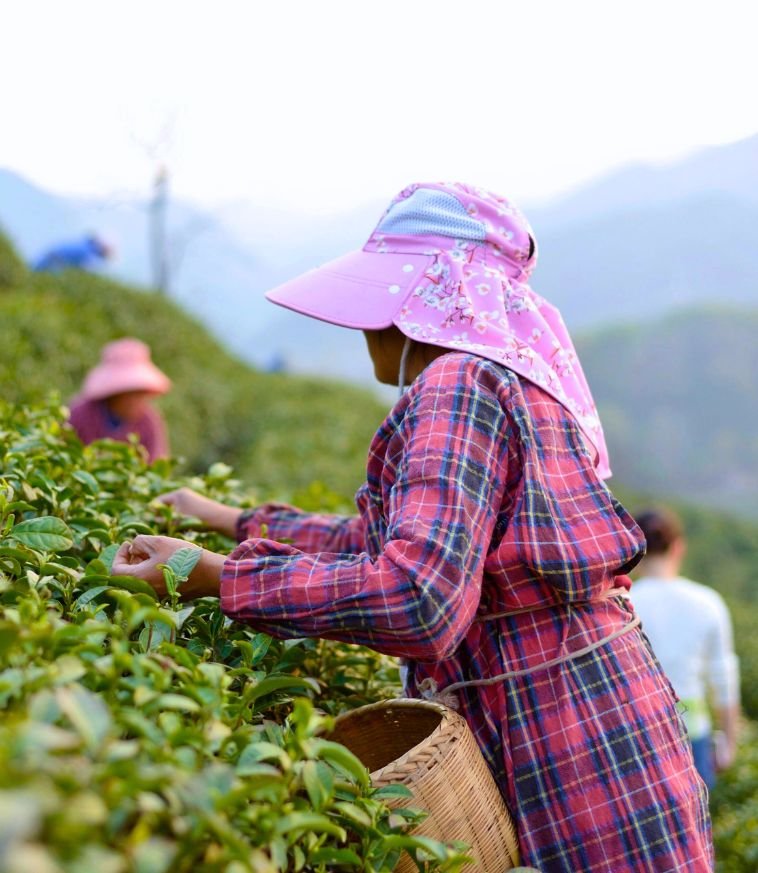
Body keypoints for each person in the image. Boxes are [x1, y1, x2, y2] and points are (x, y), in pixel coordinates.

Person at [113, 182, 712, 871]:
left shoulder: (456, 387)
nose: (368, 323)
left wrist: (214, 577)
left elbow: (418, 598)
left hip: (566, 744)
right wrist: (228, 520)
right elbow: (393, 545)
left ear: (430, 300)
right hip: (610, 722)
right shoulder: (504, 378)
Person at [631, 507, 740, 789]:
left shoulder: (623, 604)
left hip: (636, 736)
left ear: (634, 552)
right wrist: (728, 741)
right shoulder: (708, 602)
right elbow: (724, 678)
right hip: (693, 734)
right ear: (679, 547)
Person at [68, 337, 171, 462]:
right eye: (131, 393)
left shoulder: (149, 423)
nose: (136, 401)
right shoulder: (81, 413)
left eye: (140, 394)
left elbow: (156, 462)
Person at [32, 233, 113, 273]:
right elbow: (84, 270)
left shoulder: (86, 245)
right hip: (55, 260)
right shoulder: (88, 253)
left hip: (52, 256)